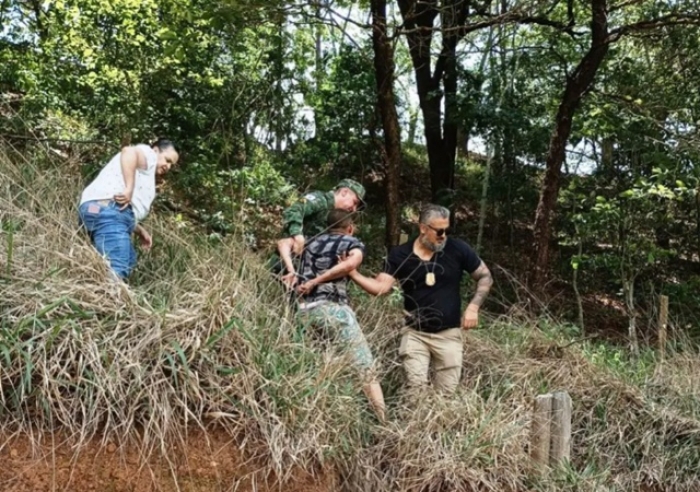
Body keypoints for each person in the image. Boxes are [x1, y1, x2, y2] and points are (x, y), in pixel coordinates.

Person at [348, 204, 493, 393]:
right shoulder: (400, 254)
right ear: (423, 228)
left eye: (446, 230)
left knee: (447, 395)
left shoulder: (458, 249)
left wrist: (473, 307)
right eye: (439, 231)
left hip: (449, 335)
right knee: (415, 390)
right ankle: (412, 420)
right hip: (415, 334)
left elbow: (485, 276)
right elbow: (381, 287)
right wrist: (353, 273)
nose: (443, 235)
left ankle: (438, 423)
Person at [277, 209, 386, 421]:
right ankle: (384, 421)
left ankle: (311, 417)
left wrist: (291, 270)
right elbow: (351, 264)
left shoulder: (311, 241)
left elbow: (283, 243)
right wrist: (316, 281)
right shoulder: (350, 242)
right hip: (334, 311)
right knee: (365, 367)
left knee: (316, 366)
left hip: (303, 312)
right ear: (350, 228)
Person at [78, 139, 179, 281]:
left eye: (171, 164)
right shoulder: (149, 155)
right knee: (119, 267)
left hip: (95, 208)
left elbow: (121, 210)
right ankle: (106, 300)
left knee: (129, 260)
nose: (168, 166)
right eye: (167, 160)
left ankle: (90, 287)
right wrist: (129, 188)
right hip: (108, 211)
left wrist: (138, 229)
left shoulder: (144, 172)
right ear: (156, 150)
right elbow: (128, 151)